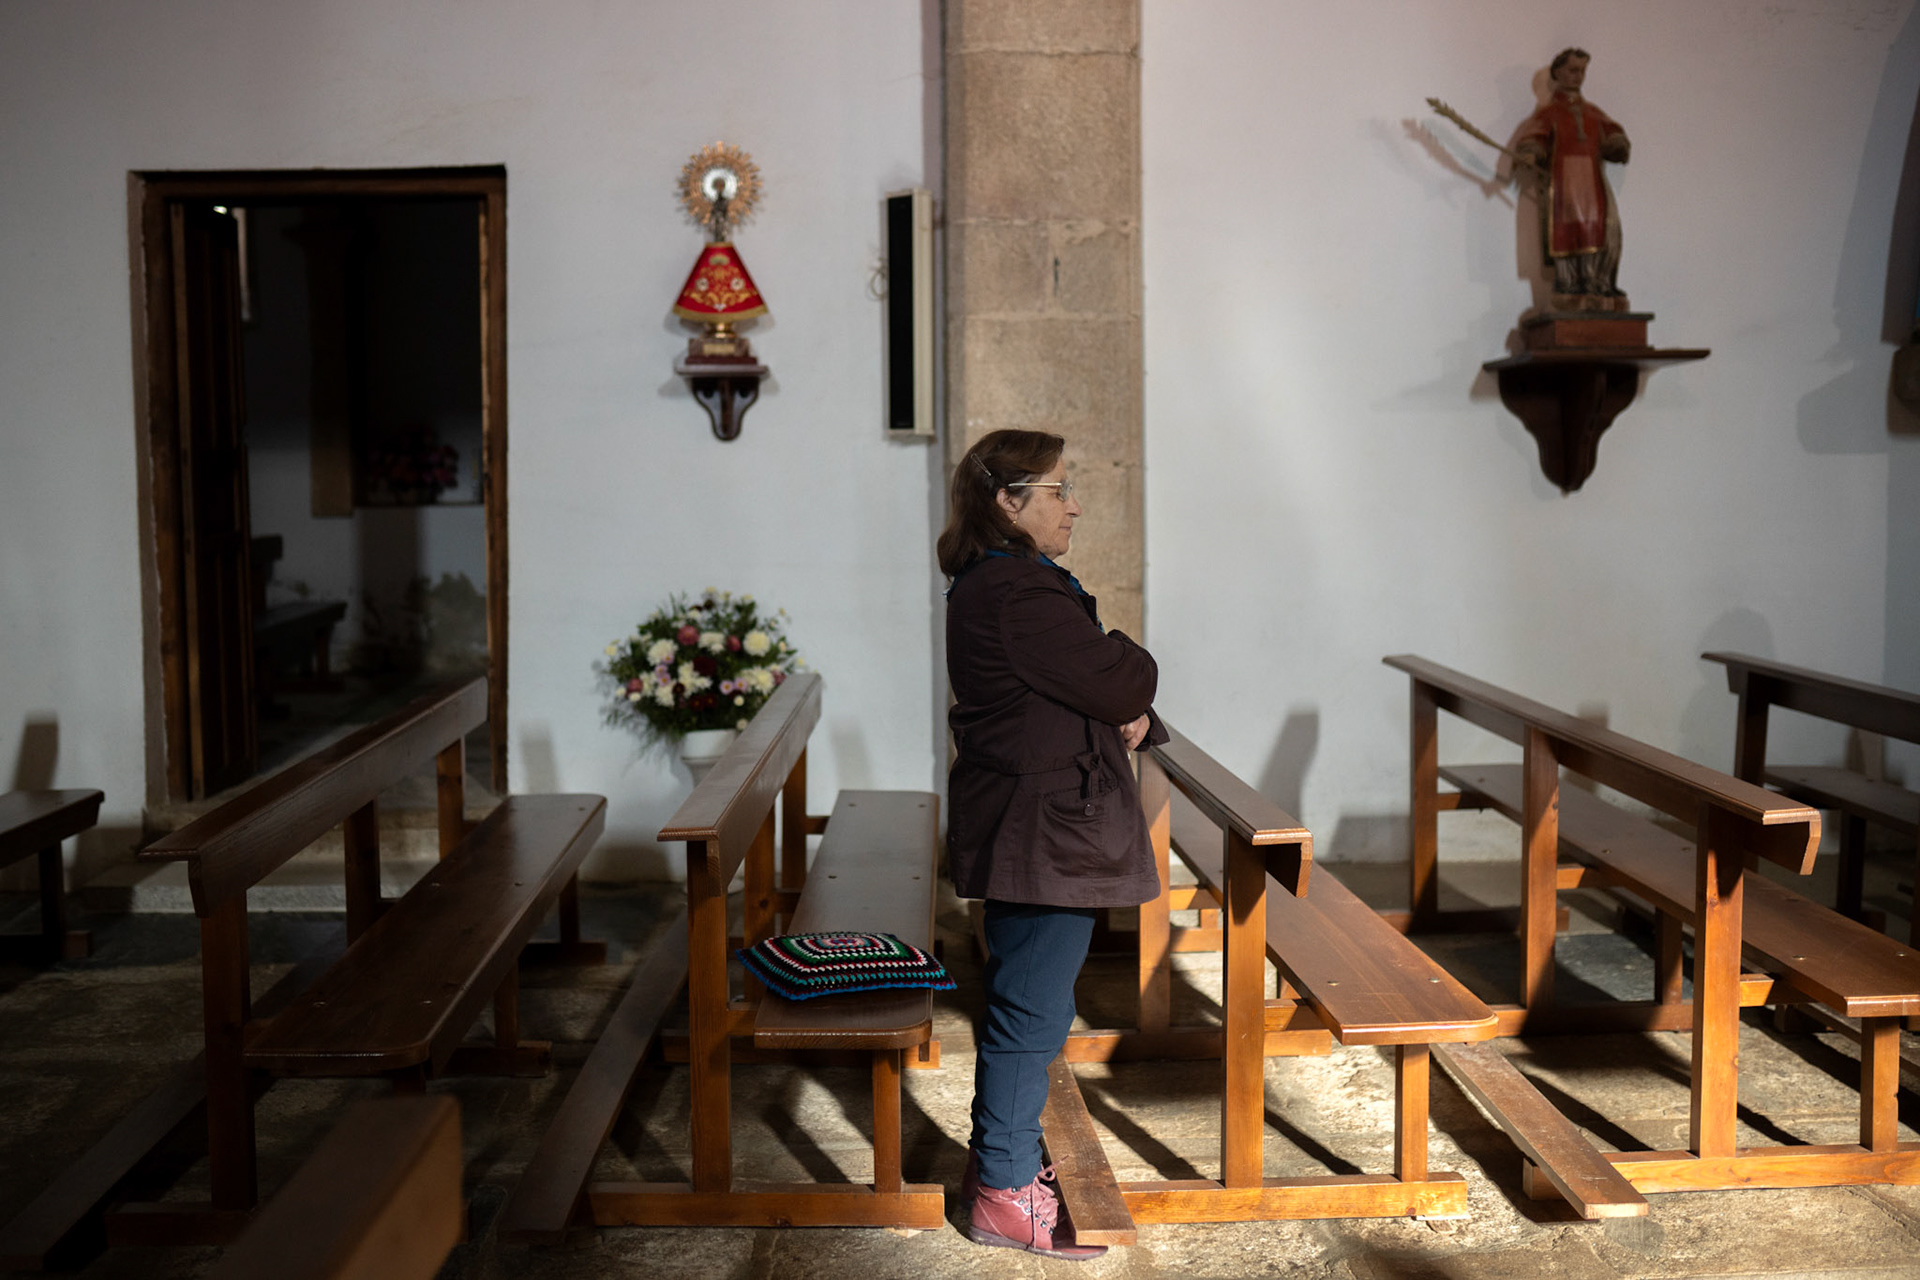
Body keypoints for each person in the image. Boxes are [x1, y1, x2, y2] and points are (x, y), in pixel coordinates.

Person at [936, 428, 1166, 1261]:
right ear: (1009, 500)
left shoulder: (999, 585)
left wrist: (1122, 698)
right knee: (1030, 1013)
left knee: (1033, 1004)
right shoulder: (1018, 593)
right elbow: (1120, 678)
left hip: (1035, 822)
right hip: (1042, 831)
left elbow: (1095, 694)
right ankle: (1001, 1190)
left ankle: (1003, 1167)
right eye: (1059, 490)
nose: (1072, 505)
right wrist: (1130, 671)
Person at [1513, 47, 1631, 301]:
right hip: (1565, 181)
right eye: (1572, 70)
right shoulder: (1549, 112)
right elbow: (1535, 136)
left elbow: (1613, 133)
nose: (1578, 76)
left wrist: (1618, 144)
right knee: (1570, 229)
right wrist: (1530, 152)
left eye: (1582, 71)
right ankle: (1571, 285)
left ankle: (1599, 282)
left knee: (1606, 228)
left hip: (1593, 181)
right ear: (1558, 73)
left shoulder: (1593, 112)